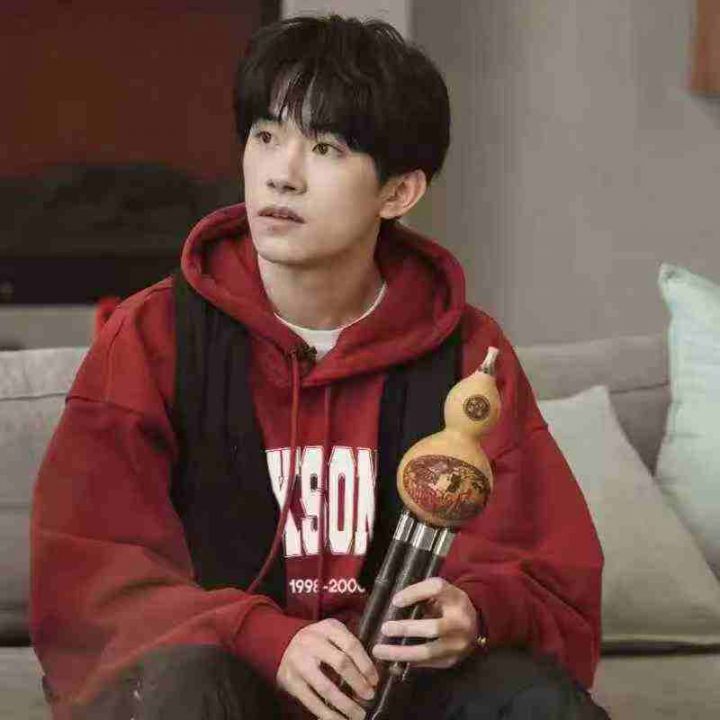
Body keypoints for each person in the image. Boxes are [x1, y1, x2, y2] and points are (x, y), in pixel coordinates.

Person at [30, 13, 609, 720]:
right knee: (184, 687)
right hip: (223, 680)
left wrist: (476, 612)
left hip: (400, 693)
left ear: (398, 192)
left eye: (326, 148)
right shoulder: (153, 336)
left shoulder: (470, 357)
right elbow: (91, 572)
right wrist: (263, 637)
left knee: (536, 699)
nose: (282, 174)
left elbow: (551, 571)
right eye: (266, 136)